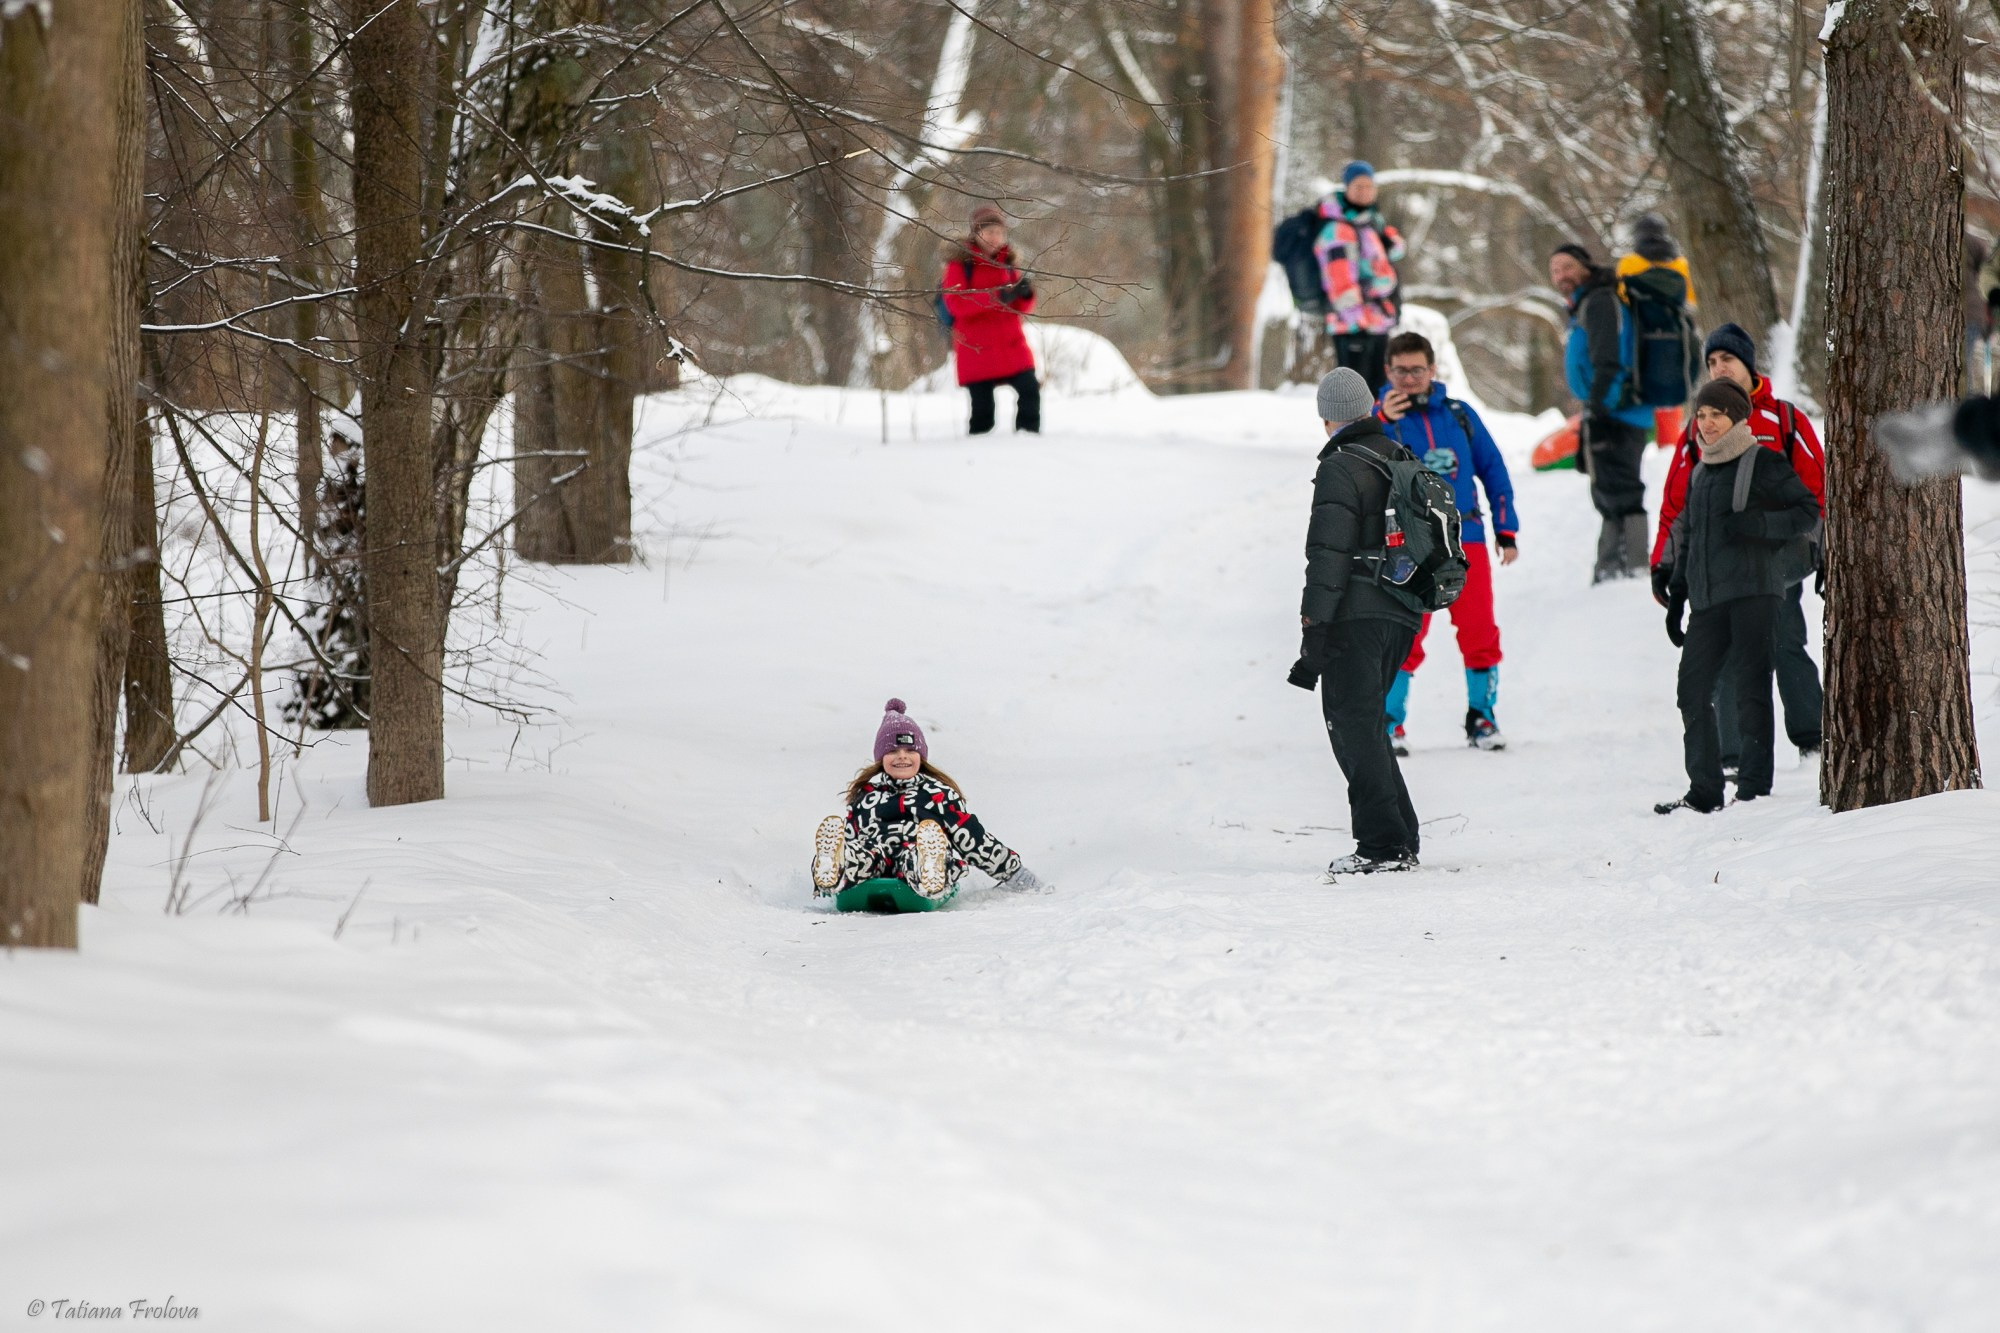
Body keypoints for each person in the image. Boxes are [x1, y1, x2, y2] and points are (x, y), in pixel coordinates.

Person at [1650, 324, 1825, 764]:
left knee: (1785, 640)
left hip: (1778, 557)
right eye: (1711, 362)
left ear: (1748, 365)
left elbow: (1817, 490)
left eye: (1727, 359)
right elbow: (1677, 502)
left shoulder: (1783, 418)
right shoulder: (1701, 426)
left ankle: (1814, 738)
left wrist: (1821, 548)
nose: (1718, 368)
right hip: (1719, 561)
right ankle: (1732, 756)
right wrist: (1664, 563)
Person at [1293, 367, 1423, 876]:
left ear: (1327, 417)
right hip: (1402, 613)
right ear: (1369, 408)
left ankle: (1383, 846)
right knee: (1367, 725)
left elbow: (1327, 554)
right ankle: (1400, 835)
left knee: (1351, 726)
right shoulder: (1399, 455)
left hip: (1358, 614)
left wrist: (1314, 625)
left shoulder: (1340, 466)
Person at [1372, 331, 1519, 752]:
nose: (1410, 379)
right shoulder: (1378, 419)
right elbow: (1354, 463)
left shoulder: (1460, 415)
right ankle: (1390, 722)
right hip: (1409, 545)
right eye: (1400, 371)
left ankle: (1482, 717)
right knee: (1406, 632)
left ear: (1433, 370)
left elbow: (1493, 470)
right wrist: (1380, 419)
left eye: (1418, 369)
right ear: (1388, 371)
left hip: (1466, 538)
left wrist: (1506, 529)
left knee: (1478, 629)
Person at [810, 699, 1046, 906]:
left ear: (921, 757)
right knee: (859, 856)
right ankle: (835, 864)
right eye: (892, 751)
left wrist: (1015, 873)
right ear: (880, 758)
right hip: (876, 861)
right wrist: (847, 851)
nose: (902, 756)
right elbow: (853, 835)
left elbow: (973, 839)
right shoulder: (866, 796)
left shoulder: (936, 795)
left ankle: (930, 866)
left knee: (916, 857)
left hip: (914, 854)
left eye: (909, 750)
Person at [1551, 241, 1655, 583]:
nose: (1560, 275)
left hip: (1615, 411)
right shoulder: (1590, 301)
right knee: (1610, 490)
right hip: (1613, 409)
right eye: (1555, 270)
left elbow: (1608, 358)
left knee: (1620, 490)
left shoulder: (1598, 301)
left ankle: (1631, 568)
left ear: (1585, 267)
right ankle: (1611, 567)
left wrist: (1596, 406)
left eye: (1567, 266)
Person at [942, 204, 1040, 436]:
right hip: (976, 349)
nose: (995, 238)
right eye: (989, 232)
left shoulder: (1008, 263)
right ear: (976, 234)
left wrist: (1025, 295)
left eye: (999, 232)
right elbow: (955, 304)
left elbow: (1019, 308)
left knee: (1030, 392)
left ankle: (1028, 443)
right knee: (983, 413)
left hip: (1010, 346)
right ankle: (979, 457)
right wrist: (996, 296)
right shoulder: (960, 265)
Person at [1313, 162, 1406, 393]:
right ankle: (1354, 429)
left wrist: (1388, 240)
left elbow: (1393, 251)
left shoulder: (1370, 221)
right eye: (1358, 186)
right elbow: (1339, 280)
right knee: (1355, 391)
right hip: (1353, 323)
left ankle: (1375, 427)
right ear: (1347, 188)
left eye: (1368, 185)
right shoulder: (1339, 229)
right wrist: (1357, 321)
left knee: (1377, 388)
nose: (1364, 191)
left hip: (1375, 319)